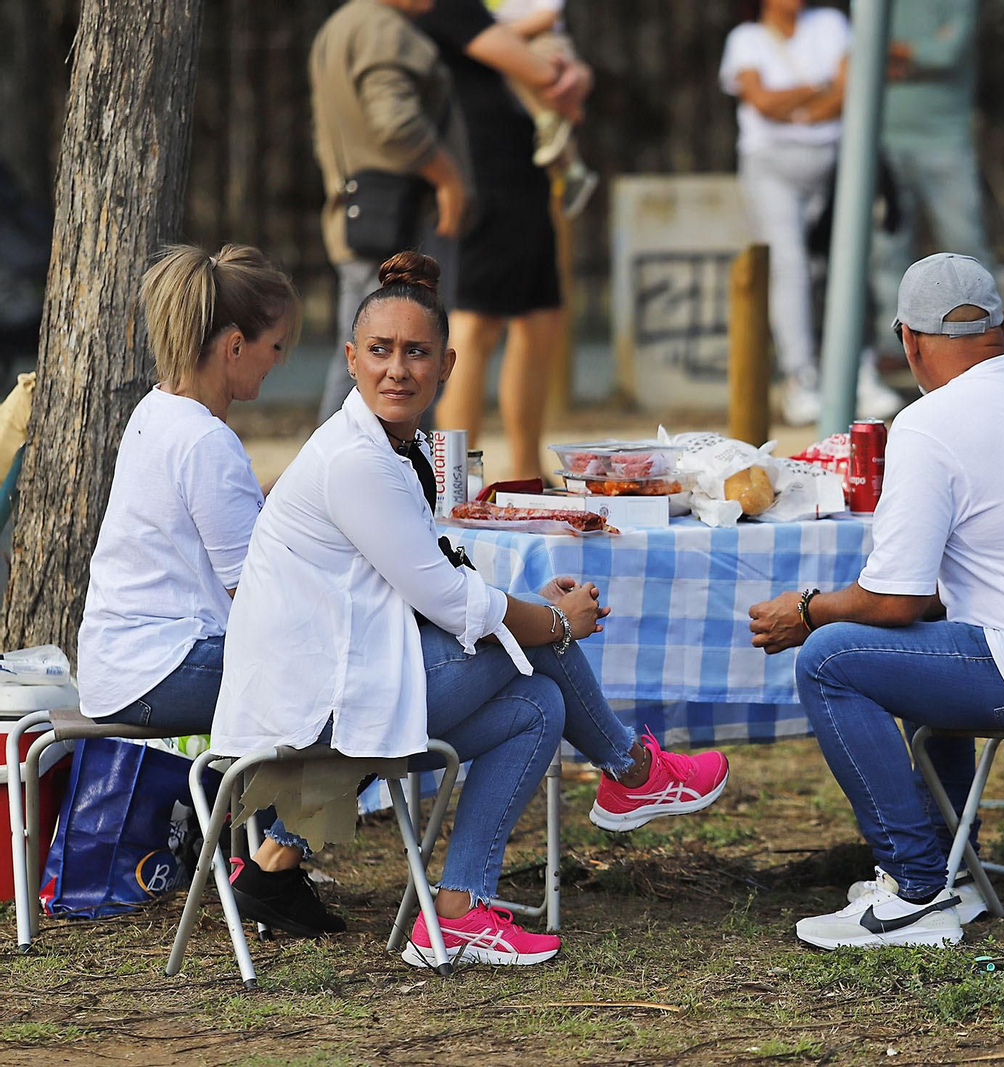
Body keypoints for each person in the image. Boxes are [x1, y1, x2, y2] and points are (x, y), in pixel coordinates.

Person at [211, 252, 729, 968]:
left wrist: (527, 611)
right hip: (319, 707)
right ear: (352, 359)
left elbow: (435, 583)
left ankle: (455, 911)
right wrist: (551, 621)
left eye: (416, 352)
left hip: (349, 681)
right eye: (383, 352)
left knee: (540, 703)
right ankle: (631, 769)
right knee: (532, 646)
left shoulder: (394, 446)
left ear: (447, 363)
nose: (398, 369)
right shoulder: (354, 459)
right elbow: (451, 601)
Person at [748, 254, 1004, 949]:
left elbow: (895, 599)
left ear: (907, 341)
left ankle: (916, 888)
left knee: (832, 659)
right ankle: (952, 865)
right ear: (1000, 326)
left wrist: (809, 608)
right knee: (926, 645)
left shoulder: (929, 423)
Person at [76, 244, 343, 938]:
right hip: (161, 664)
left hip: (124, 659)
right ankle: (275, 867)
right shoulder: (207, 442)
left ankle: (277, 860)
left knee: (341, 675)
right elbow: (256, 597)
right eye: (275, 347)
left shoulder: (159, 409)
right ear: (232, 345)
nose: (278, 361)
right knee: (361, 682)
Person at [415, 0, 590, 479]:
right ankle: (457, 478)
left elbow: (563, 64)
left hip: (527, 171)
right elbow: (533, 64)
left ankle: (526, 471)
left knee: (541, 318)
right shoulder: (450, 10)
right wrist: (562, 72)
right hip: (481, 173)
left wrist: (573, 74)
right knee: (476, 324)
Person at [720, 0, 900, 425]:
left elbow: (850, 89)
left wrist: (798, 107)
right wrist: (817, 91)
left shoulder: (830, 24)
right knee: (791, 267)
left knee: (845, 263)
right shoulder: (746, 38)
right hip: (771, 165)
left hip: (834, 160)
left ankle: (858, 370)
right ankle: (800, 376)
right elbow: (760, 100)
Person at [310, 0, 474, 427]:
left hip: (367, 220)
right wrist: (449, 180)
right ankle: (392, 478)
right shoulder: (382, 28)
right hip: (399, 227)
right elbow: (395, 121)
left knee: (365, 353)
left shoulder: (345, 24)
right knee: (392, 356)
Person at [868, 0, 991, 369]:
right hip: (885, 143)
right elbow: (862, 52)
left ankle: (982, 338)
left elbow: (948, 52)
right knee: (887, 250)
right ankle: (893, 345)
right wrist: (918, 54)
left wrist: (895, 52)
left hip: (946, 143)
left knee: (965, 242)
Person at [486, 0, 597, 218]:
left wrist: (500, 38)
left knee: (533, 59)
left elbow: (547, 18)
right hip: (505, 53)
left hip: (540, 43)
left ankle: (550, 124)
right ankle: (569, 162)